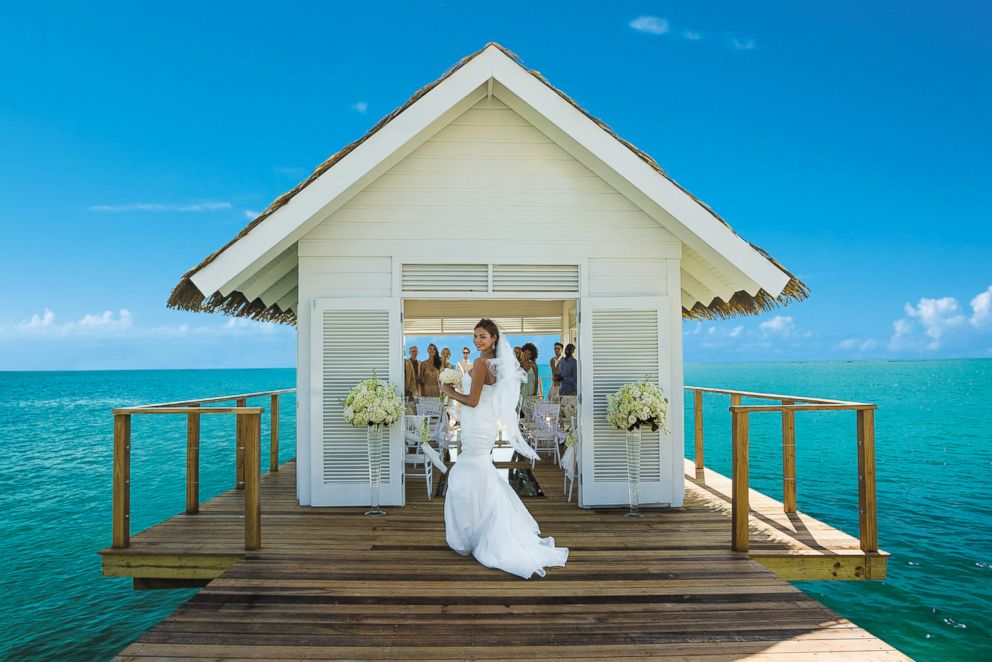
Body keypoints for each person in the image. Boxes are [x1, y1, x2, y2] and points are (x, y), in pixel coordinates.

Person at [440, 318, 568, 579]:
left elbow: (473, 400)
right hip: (483, 423)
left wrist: (450, 391)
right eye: (475, 336)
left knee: (467, 473)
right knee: (478, 472)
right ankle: (480, 529)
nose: (477, 341)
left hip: (477, 423)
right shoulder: (495, 366)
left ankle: (479, 533)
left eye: (483, 337)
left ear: (494, 339)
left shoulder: (479, 363)